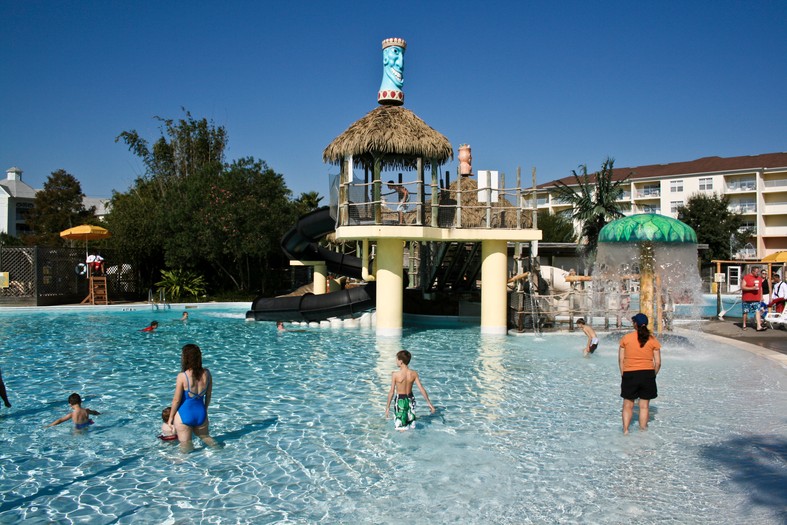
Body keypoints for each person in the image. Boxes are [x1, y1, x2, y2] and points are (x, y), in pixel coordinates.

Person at [167, 344, 217, 451]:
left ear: (186, 358)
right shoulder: (207, 373)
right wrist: (205, 410)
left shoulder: (182, 376)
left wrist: (170, 418)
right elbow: (208, 395)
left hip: (184, 414)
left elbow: (176, 400)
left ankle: (181, 465)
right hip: (201, 413)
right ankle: (220, 452)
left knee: (186, 446)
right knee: (207, 438)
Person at [619, 313, 661, 434]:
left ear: (635, 324)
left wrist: (623, 374)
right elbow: (657, 363)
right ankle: (643, 430)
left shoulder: (626, 338)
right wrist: (653, 375)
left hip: (629, 373)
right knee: (644, 406)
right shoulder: (653, 340)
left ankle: (626, 430)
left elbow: (621, 360)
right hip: (647, 374)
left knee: (627, 405)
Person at [384, 350, 435, 430]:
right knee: (411, 425)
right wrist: (429, 403)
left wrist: (387, 408)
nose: (396, 361)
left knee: (401, 427)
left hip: (400, 400)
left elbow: (391, 392)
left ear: (401, 361)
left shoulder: (395, 374)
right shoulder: (414, 373)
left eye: (396, 359)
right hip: (411, 399)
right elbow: (421, 388)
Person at [741, 265, 766, 331]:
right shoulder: (746, 277)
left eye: (758, 272)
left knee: (757, 311)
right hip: (747, 298)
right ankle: (744, 324)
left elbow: (761, 288)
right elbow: (743, 287)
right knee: (745, 312)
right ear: (752, 271)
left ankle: (759, 326)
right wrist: (752, 288)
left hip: (756, 298)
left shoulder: (759, 279)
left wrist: (761, 296)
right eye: (756, 272)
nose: (757, 273)